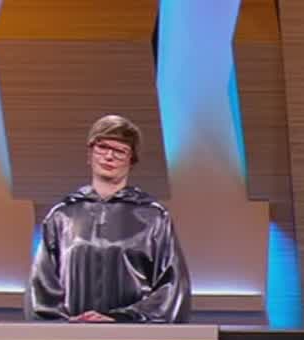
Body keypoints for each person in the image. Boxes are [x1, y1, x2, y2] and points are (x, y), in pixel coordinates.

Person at [26, 115, 191, 323]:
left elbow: (172, 288)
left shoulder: (154, 218)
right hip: (72, 337)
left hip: (132, 337)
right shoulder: (62, 216)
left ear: (132, 161)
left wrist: (119, 319)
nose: (109, 156)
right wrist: (66, 324)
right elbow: (41, 287)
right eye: (102, 147)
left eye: (120, 151)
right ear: (89, 154)